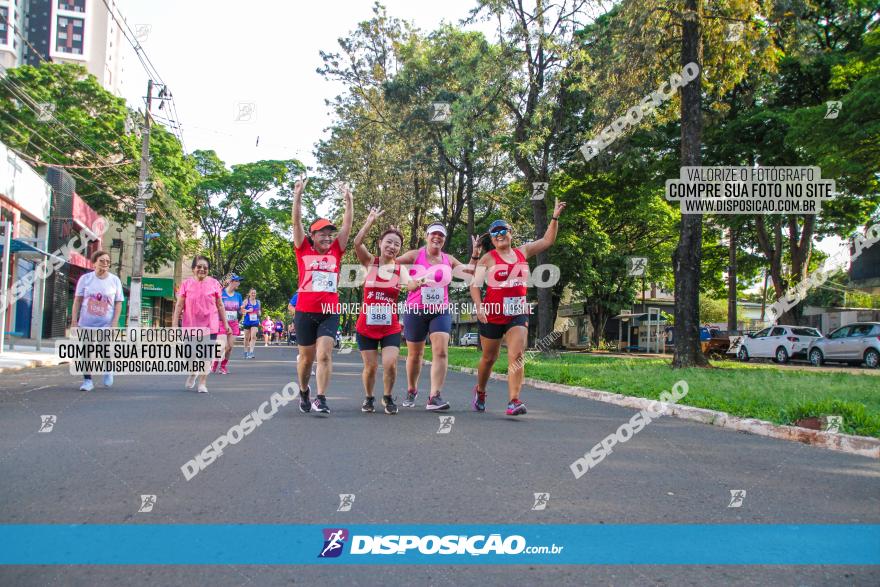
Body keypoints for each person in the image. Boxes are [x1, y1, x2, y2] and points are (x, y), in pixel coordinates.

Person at [470, 199, 567, 415]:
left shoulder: (523, 251)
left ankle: (513, 400)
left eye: (502, 230)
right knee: (489, 358)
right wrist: (479, 306)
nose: (499, 234)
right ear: (492, 240)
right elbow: (475, 285)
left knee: (517, 355)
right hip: (492, 314)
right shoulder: (488, 258)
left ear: (510, 232)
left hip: (517, 312)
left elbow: (547, 241)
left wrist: (555, 217)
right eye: (494, 233)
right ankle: (481, 390)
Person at [396, 222, 482, 410]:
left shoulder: (448, 259)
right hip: (415, 310)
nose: (437, 237)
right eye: (433, 234)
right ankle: (412, 390)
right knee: (415, 354)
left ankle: (434, 396)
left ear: (443, 239)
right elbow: (392, 265)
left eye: (441, 235)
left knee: (441, 352)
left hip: (440, 310)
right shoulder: (414, 255)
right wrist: (407, 282)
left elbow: (469, 274)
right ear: (427, 236)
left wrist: (475, 254)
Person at [292, 177, 353, 415]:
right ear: (312, 235)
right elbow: (296, 222)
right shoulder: (302, 249)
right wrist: (298, 195)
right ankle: (304, 390)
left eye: (330, 234)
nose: (327, 238)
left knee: (324, 355)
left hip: (329, 312)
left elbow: (347, 225)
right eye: (322, 234)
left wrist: (348, 200)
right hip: (305, 312)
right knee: (306, 360)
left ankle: (321, 398)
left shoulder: (337, 250)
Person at [352, 208, 420, 415]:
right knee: (371, 367)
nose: (392, 246)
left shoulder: (400, 269)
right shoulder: (370, 261)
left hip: (390, 326)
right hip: (366, 326)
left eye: (396, 244)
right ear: (380, 244)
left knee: (390, 364)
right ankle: (369, 397)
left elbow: (409, 284)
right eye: (388, 242)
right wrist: (369, 221)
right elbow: (356, 243)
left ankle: (388, 397)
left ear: (399, 249)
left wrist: (416, 284)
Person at [172, 255, 229, 393]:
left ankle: (202, 383)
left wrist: (225, 324)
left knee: (206, 355)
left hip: (210, 325)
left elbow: (220, 305)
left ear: (208, 270)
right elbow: (179, 305)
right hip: (190, 325)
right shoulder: (186, 284)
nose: (202, 269)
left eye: (205, 267)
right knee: (189, 354)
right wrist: (174, 325)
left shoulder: (215, 284)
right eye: (199, 267)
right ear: (193, 269)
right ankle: (193, 372)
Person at [70, 250, 124, 391]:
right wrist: (74, 321)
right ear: (94, 263)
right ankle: (87, 381)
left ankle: (108, 370)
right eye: (101, 261)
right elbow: (78, 300)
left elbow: (118, 302)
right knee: (86, 351)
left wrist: (114, 323)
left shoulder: (114, 280)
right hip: (86, 323)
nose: (105, 263)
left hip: (105, 324)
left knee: (104, 350)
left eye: (107, 261)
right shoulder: (85, 279)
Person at [214, 274, 242, 374]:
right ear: (231, 281)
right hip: (221, 322)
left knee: (229, 347)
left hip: (233, 324)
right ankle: (215, 362)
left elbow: (239, 310)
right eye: (237, 281)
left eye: (239, 281)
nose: (239, 283)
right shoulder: (221, 293)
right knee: (222, 346)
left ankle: (223, 366)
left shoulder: (238, 296)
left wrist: (242, 311)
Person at [241, 288, 261, 358]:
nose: (253, 294)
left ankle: (251, 352)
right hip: (247, 321)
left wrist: (259, 313)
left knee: (253, 336)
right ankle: (245, 352)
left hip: (255, 321)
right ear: (249, 294)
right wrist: (247, 310)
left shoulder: (258, 302)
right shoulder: (246, 301)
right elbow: (241, 310)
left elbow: (259, 312)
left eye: (254, 293)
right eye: (252, 293)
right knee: (246, 338)